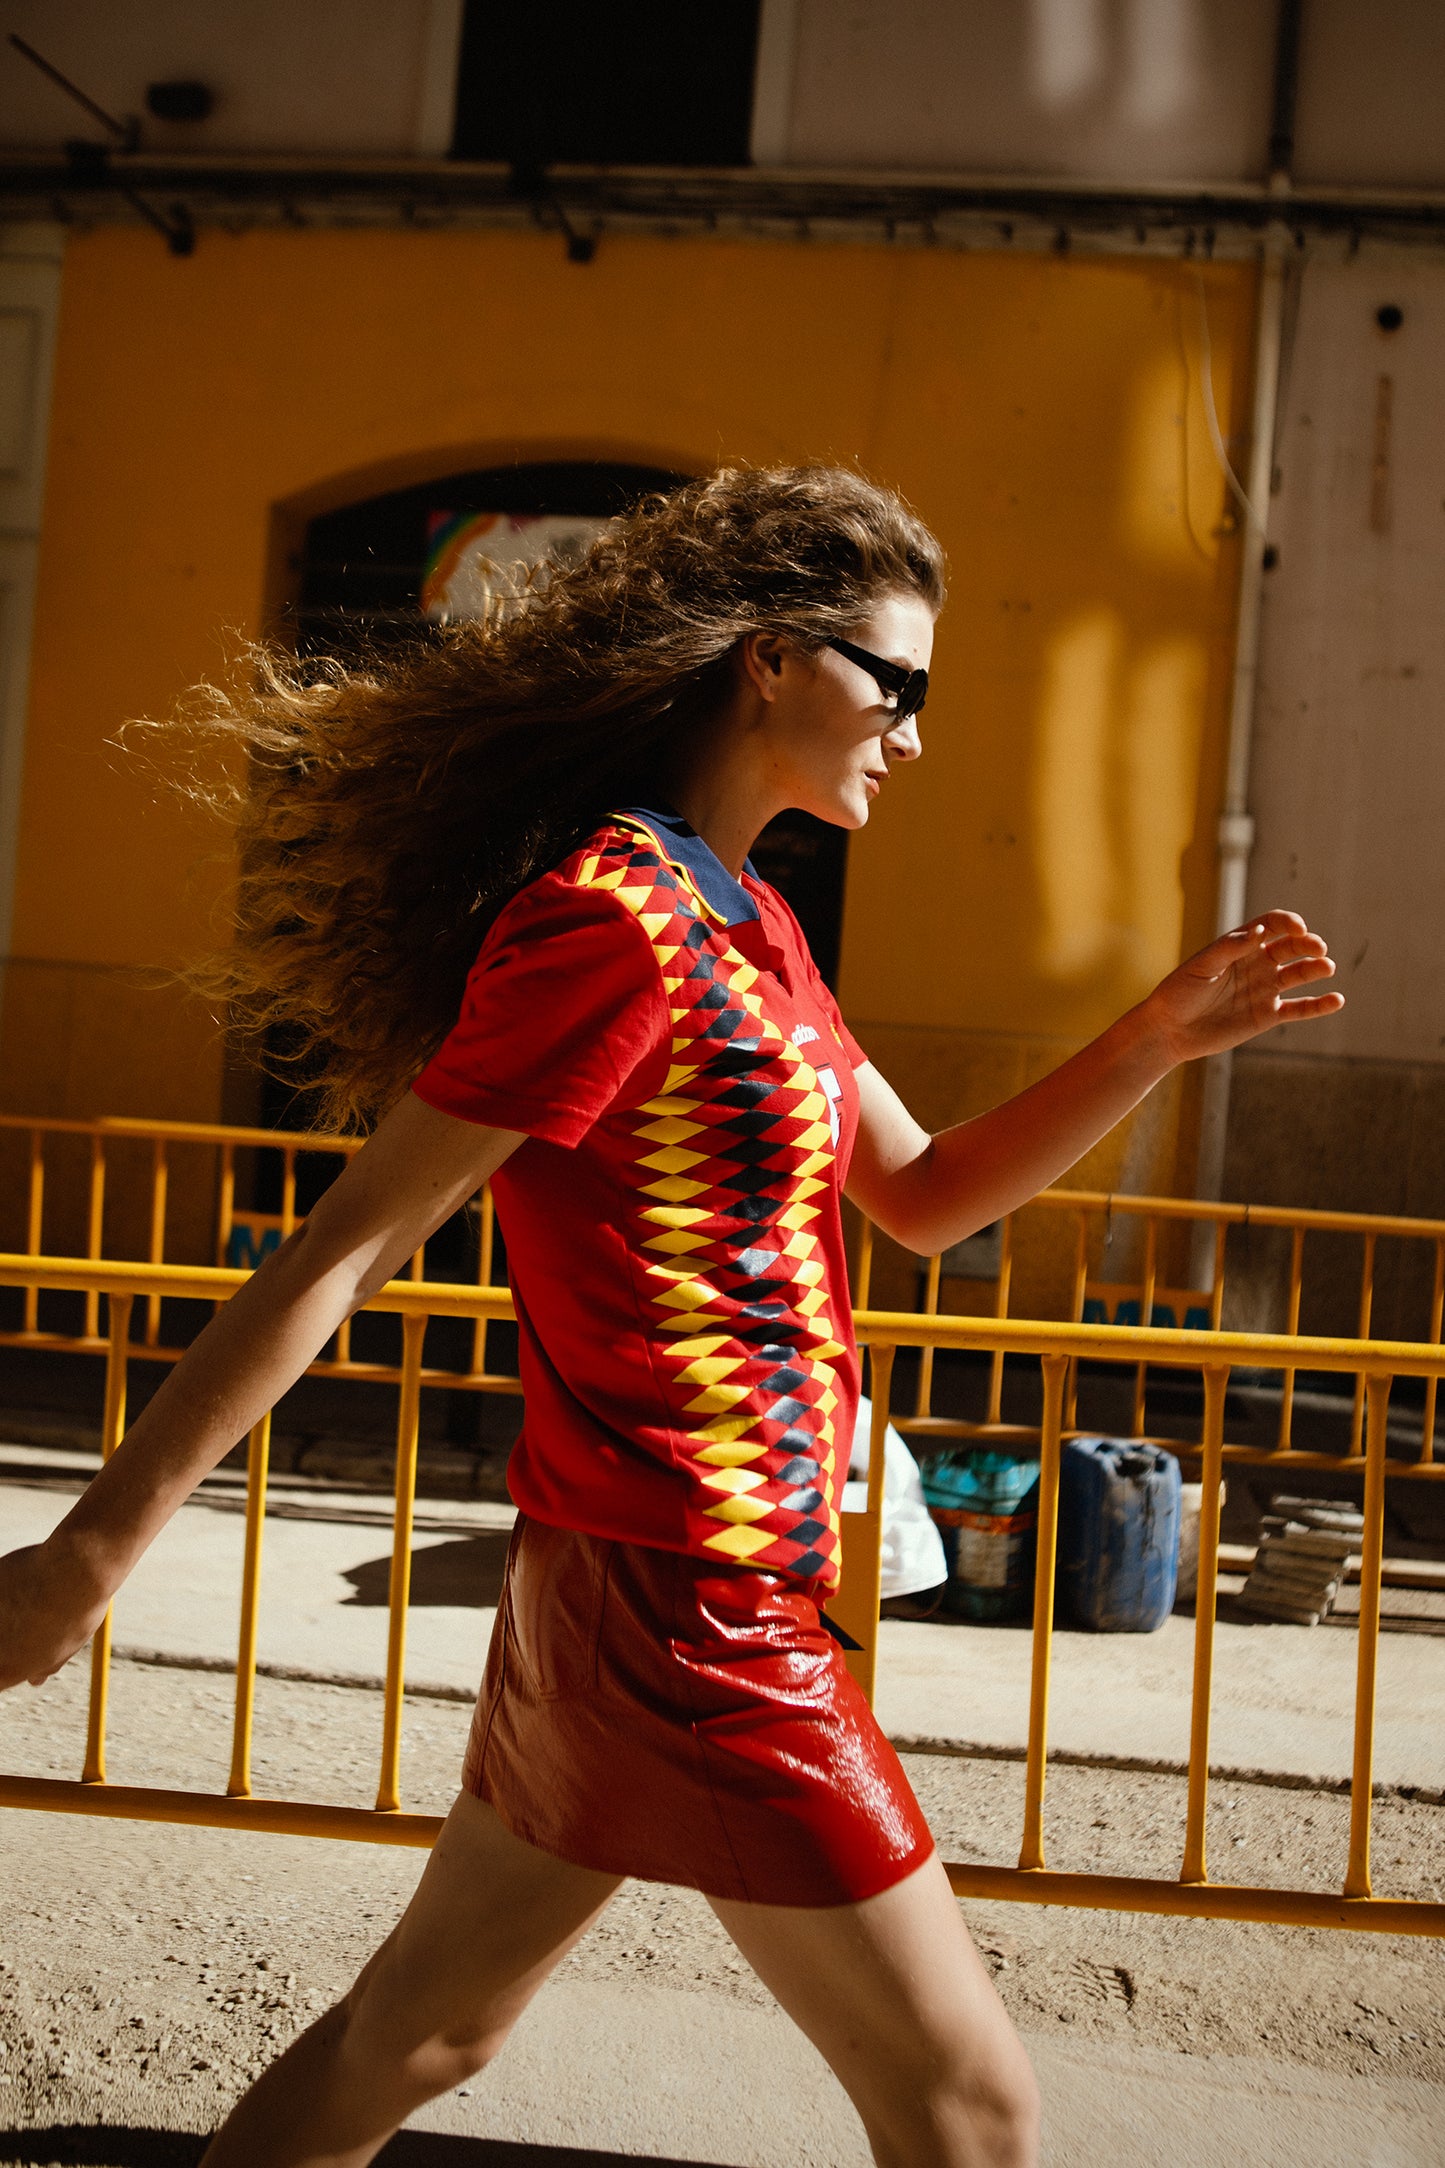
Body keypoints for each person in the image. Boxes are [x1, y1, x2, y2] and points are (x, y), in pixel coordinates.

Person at [0, 467, 1342, 2167]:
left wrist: (1151, 1036)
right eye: (895, 684)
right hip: (690, 1607)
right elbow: (345, 1242)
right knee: (974, 2112)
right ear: (770, 660)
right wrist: (87, 1558)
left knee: (423, 2033)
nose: (913, 736)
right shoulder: (612, 924)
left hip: (621, 1584)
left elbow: (922, 1200)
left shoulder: (750, 921)